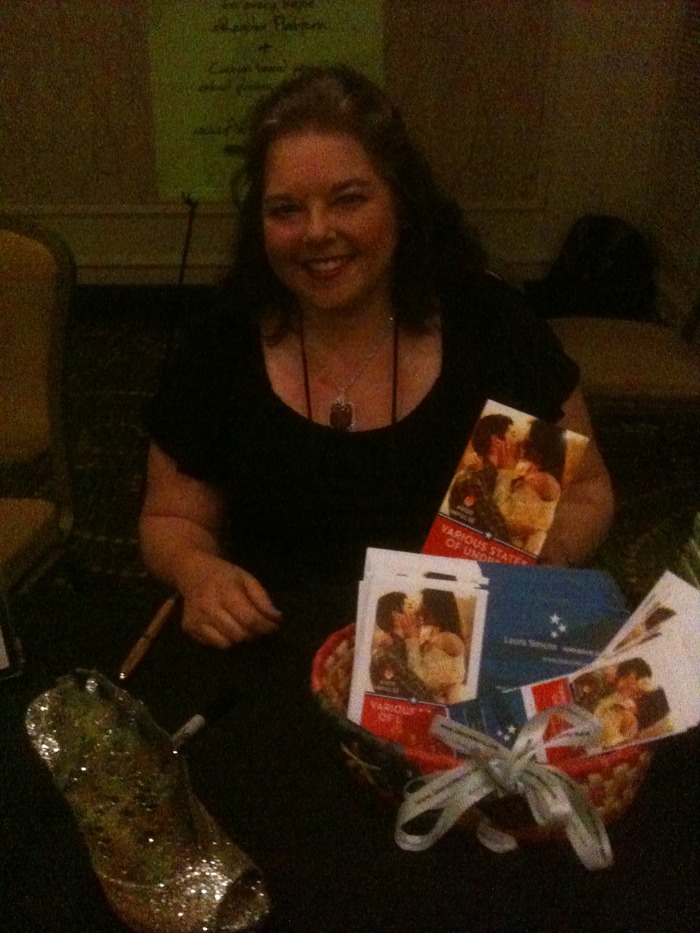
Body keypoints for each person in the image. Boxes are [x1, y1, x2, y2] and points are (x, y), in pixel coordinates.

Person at [138, 65, 615, 649]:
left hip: (457, 655)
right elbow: (173, 519)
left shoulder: (489, 325)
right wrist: (197, 571)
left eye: (349, 200)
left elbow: (587, 490)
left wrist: (549, 556)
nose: (316, 231)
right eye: (285, 210)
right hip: (276, 648)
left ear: (402, 203)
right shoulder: (220, 342)